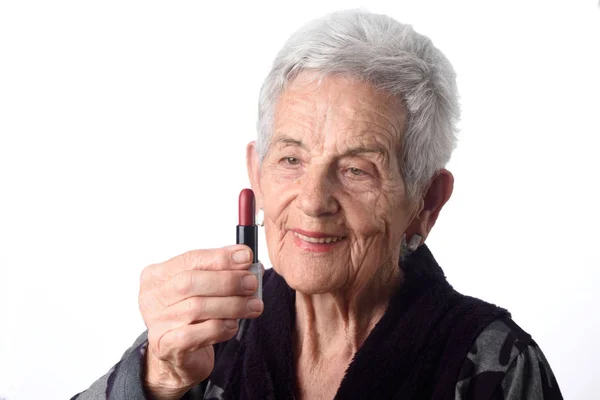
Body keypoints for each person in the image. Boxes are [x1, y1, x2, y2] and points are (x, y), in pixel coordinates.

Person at [72, 9, 562, 400]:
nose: (312, 201)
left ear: (425, 203)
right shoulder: (207, 329)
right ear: (256, 175)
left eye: (356, 170)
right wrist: (156, 382)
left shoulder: (495, 363)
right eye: (290, 158)